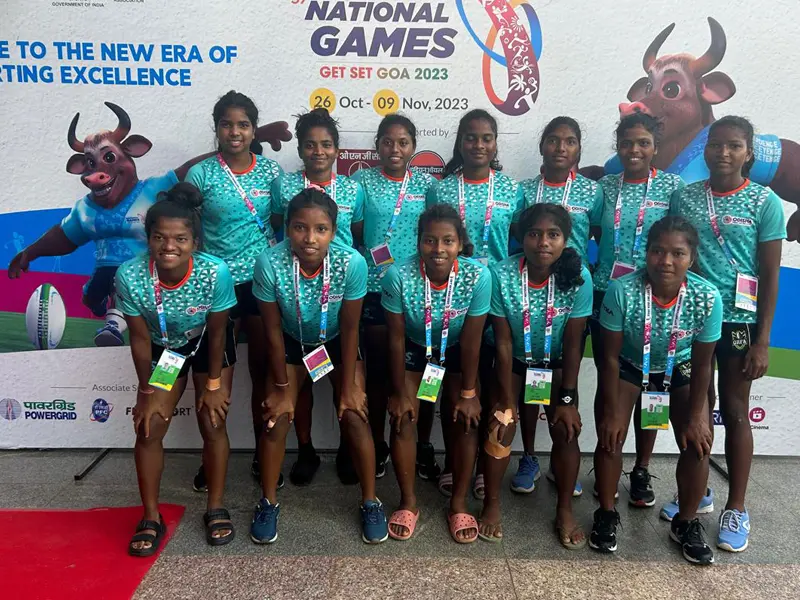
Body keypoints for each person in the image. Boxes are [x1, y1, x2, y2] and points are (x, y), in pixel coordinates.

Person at [669, 116, 786, 553]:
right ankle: (696, 491)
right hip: (692, 317)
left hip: (739, 321)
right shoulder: (685, 196)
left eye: (733, 146)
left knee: (735, 410)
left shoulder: (764, 202)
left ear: (748, 153)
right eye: (716, 145)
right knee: (694, 407)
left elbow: (770, 275)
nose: (723, 153)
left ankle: (736, 506)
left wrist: (763, 340)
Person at [250, 187, 388, 545]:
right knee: (276, 418)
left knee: (356, 414)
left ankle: (371, 501)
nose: (309, 238)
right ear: (288, 228)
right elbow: (271, 329)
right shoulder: (269, 262)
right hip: (291, 341)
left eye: (320, 229)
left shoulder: (351, 262)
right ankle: (267, 502)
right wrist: (282, 388)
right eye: (300, 227)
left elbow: (351, 328)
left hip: (337, 340)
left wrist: (349, 386)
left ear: (333, 231)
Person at [116, 183, 238, 556]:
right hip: (165, 349)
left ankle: (215, 506)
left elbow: (218, 332)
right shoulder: (130, 275)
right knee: (149, 427)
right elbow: (139, 339)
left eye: (180, 239)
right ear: (148, 239)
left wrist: (213, 384)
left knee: (212, 421)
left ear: (195, 242)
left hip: (208, 348)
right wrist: (146, 391)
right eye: (159, 237)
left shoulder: (215, 272)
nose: (169, 246)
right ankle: (151, 516)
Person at [592, 216, 723, 565]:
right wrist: (610, 412)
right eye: (657, 251)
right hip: (630, 364)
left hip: (680, 368)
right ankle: (606, 514)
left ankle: (686, 523)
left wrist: (698, 417)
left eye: (677, 253)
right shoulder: (622, 290)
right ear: (646, 253)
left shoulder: (707, 296)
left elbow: (704, 364)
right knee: (610, 436)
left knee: (698, 443)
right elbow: (609, 358)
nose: (666, 261)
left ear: (691, 258)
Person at [185, 91, 284, 493]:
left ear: (254, 130)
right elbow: (186, 230)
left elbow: (279, 222)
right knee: (215, 376)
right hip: (216, 287)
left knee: (263, 374)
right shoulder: (201, 174)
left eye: (243, 124)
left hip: (261, 286)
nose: (235, 132)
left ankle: (264, 454)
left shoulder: (272, 172)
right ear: (217, 129)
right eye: (226, 124)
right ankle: (211, 460)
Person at [482, 204, 593, 547]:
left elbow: (574, 344)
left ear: (565, 239)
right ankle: (491, 505)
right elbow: (503, 341)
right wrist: (506, 399)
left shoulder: (579, 276)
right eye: (534, 234)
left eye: (553, 235)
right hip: (515, 360)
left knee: (566, 429)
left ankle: (564, 510)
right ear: (522, 237)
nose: (543, 242)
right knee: (501, 424)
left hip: (555, 363)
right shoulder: (501, 274)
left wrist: (567, 399)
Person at [426, 109, 523, 499]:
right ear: (459, 142)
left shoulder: (512, 190)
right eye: (470, 137)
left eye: (486, 137)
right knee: (456, 384)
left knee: (493, 382)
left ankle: (485, 466)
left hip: (497, 297)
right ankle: (454, 462)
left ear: (496, 143)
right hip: (451, 296)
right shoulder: (441, 190)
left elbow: (518, 243)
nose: (478, 145)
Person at [591, 113, 685, 507]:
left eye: (643, 143)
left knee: (652, 382)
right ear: (618, 146)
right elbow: (595, 232)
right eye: (627, 142)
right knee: (610, 378)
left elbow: (680, 237)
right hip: (607, 293)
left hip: (656, 293)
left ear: (655, 148)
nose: (634, 150)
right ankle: (606, 459)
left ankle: (642, 467)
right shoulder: (605, 187)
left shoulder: (672, 187)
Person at [382, 204, 490, 543]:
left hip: (457, 349)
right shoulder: (398, 276)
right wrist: (399, 392)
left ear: (460, 243)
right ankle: (408, 502)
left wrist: (469, 394)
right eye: (430, 240)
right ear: (418, 242)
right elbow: (396, 338)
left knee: (467, 420)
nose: (438, 249)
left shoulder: (477, 276)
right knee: (402, 417)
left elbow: (472, 340)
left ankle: (458, 504)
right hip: (416, 349)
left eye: (447, 241)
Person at [270, 108, 366, 486]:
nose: (318, 151)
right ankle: (306, 449)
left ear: (337, 149)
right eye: (310, 145)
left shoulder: (353, 189)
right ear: (299, 149)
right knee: (302, 382)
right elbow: (279, 230)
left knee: (343, 380)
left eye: (326, 144)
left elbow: (357, 235)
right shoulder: (284, 186)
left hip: (338, 295)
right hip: (296, 292)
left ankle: (345, 449)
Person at [511, 116, 603, 495]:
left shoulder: (593, 192)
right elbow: (517, 236)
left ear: (579, 148)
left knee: (563, 370)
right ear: (541, 146)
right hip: (529, 289)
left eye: (569, 141)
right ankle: (529, 456)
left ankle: (559, 461)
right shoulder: (522, 191)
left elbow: (599, 236)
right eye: (552, 140)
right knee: (528, 372)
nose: (560, 148)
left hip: (569, 293)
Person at [351, 114, 440, 482]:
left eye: (403, 142)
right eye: (387, 141)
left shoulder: (428, 186)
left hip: (419, 290)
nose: (395, 149)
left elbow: (435, 232)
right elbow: (356, 231)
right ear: (377, 145)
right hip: (375, 288)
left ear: (413, 146)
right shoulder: (361, 182)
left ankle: (421, 443)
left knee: (424, 374)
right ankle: (377, 443)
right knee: (377, 373)